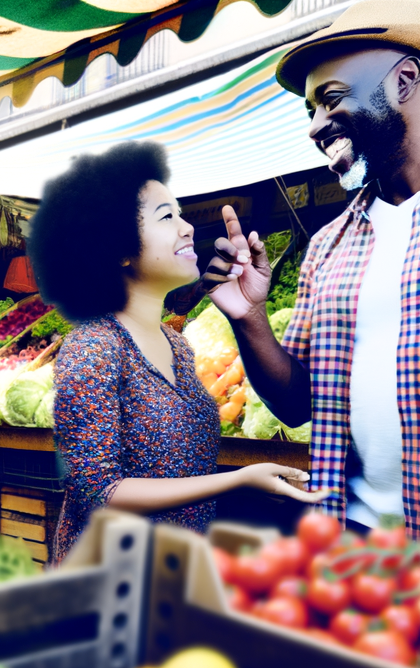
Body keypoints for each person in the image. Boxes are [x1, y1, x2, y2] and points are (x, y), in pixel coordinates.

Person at [28, 142, 325, 563]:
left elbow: (178, 470)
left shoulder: (178, 346)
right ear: (117, 251)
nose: (187, 227)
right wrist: (236, 481)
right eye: (167, 217)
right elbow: (101, 491)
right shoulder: (93, 348)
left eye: (181, 214)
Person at [197, 1, 420, 536]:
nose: (317, 126)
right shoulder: (328, 245)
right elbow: (298, 405)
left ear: (406, 83)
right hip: (356, 538)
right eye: (310, 110)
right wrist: (249, 317)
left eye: (332, 99)